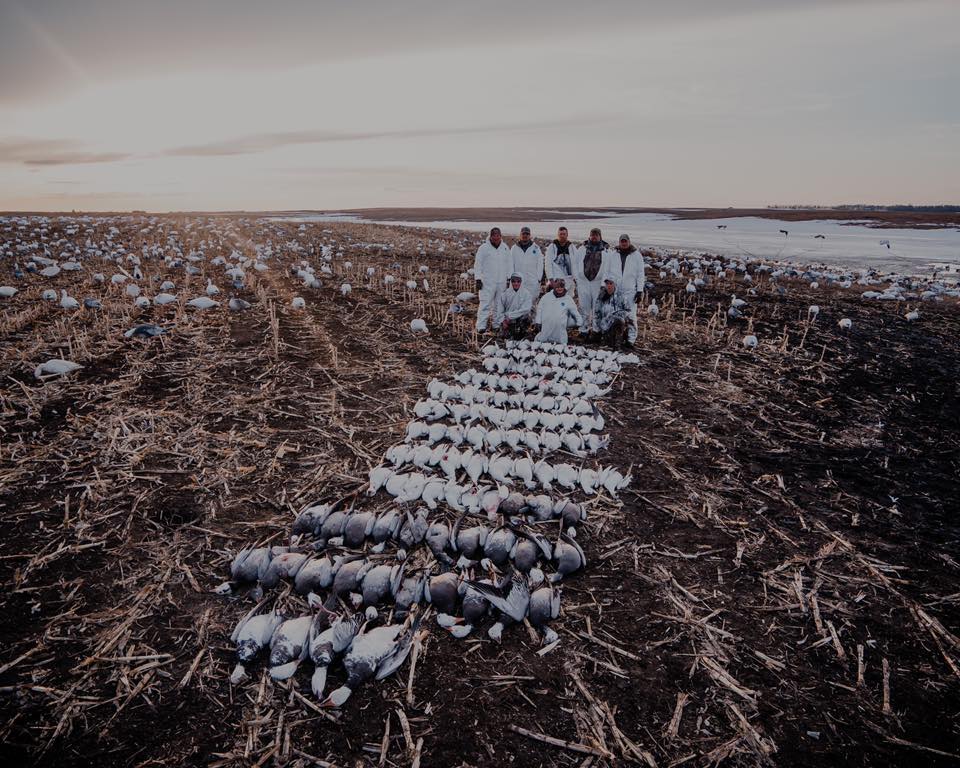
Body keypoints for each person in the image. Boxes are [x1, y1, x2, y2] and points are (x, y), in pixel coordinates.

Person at [603, 233, 645, 346]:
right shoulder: (612, 255)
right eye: (622, 241)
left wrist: (639, 291)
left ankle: (631, 340)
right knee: (613, 314)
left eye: (625, 241)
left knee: (630, 316)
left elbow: (641, 274)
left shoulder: (637, 256)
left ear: (629, 242)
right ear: (619, 242)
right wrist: (606, 287)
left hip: (630, 291)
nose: (624, 243)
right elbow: (606, 272)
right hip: (615, 291)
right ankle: (613, 337)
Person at [572, 227, 611, 336]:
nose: (594, 237)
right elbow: (575, 263)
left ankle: (595, 330)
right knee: (584, 307)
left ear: (600, 236)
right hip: (583, 282)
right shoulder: (582, 249)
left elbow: (608, 268)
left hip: (597, 283)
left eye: (596, 235)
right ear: (589, 236)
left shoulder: (606, 251)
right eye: (592, 235)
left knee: (596, 307)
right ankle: (583, 330)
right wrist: (577, 277)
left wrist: (604, 283)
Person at [473, 227, 512, 332]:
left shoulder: (505, 248)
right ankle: (481, 326)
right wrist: (478, 279)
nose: (496, 237)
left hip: (501, 282)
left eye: (498, 235)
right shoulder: (484, 248)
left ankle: (496, 324)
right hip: (487, 282)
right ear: (490, 236)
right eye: (494, 235)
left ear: (500, 236)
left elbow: (509, 264)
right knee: (485, 303)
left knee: (499, 305)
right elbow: (478, 264)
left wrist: (509, 278)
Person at [533, 277, 582, 344]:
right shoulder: (546, 296)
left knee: (561, 341)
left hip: (560, 329)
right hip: (547, 326)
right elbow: (540, 309)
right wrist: (538, 321)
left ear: (564, 287)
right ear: (554, 287)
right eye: (557, 287)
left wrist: (579, 322)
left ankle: (561, 343)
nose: (559, 288)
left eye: (561, 286)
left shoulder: (568, 299)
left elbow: (574, 311)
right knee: (541, 340)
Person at [593, 276, 632, 348]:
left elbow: (629, 312)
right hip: (605, 326)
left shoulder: (621, 296)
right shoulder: (601, 296)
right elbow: (596, 314)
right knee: (607, 346)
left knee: (619, 320)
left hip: (618, 325)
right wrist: (596, 330)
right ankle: (606, 339)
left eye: (611, 283)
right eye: (607, 284)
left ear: (615, 284)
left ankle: (619, 343)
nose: (609, 286)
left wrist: (615, 315)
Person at [510, 226, 544, 300]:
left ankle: (531, 311)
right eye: (523, 234)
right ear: (520, 235)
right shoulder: (514, 248)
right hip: (517, 281)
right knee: (517, 301)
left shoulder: (536, 248)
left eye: (527, 234)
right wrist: (511, 277)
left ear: (530, 235)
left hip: (532, 280)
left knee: (531, 301)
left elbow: (540, 264)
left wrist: (538, 278)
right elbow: (510, 264)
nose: (525, 236)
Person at [498, 273, 533, 339]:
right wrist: (503, 321)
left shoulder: (527, 294)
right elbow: (500, 310)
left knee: (522, 337)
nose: (516, 283)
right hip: (507, 321)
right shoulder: (505, 294)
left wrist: (510, 316)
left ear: (522, 282)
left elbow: (526, 309)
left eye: (518, 281)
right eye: (513, 281)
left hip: (521, 319)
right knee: (505, 337)